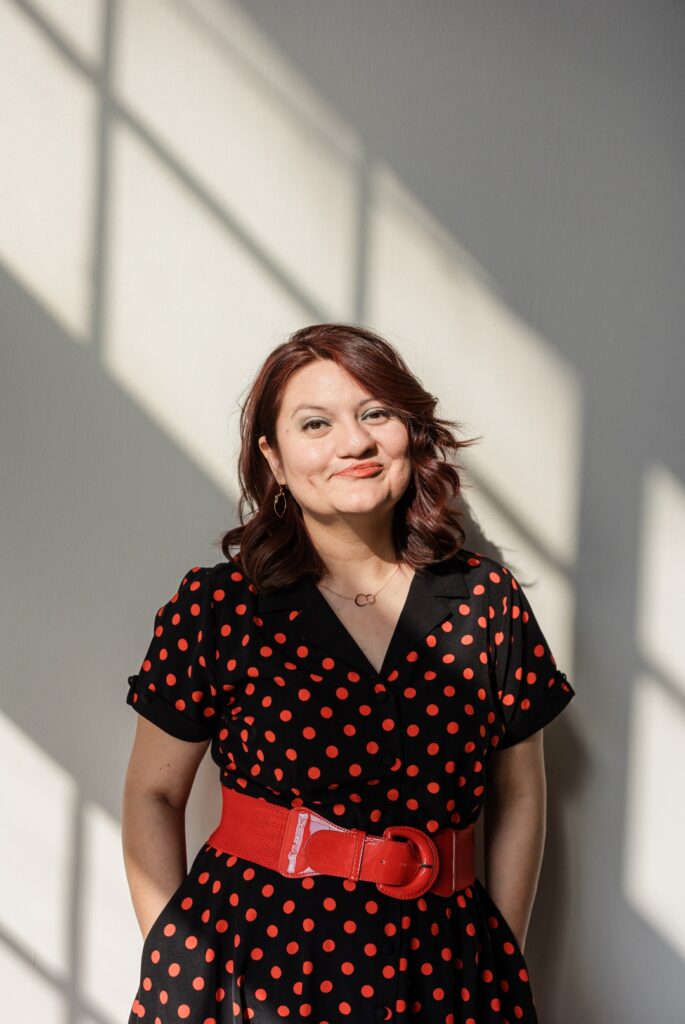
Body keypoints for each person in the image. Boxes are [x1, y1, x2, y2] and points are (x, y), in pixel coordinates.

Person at [122, 323, 576, 1023]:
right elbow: (153, 793)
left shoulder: (486, 602)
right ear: (272, 457)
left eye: (375, 414)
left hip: (442, 967)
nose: (353, 443)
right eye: (315, 423)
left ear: (409, 434)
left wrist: (498, 954)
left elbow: (519, 797)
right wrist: (177, 959)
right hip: (252, 965)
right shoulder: (216, 607)